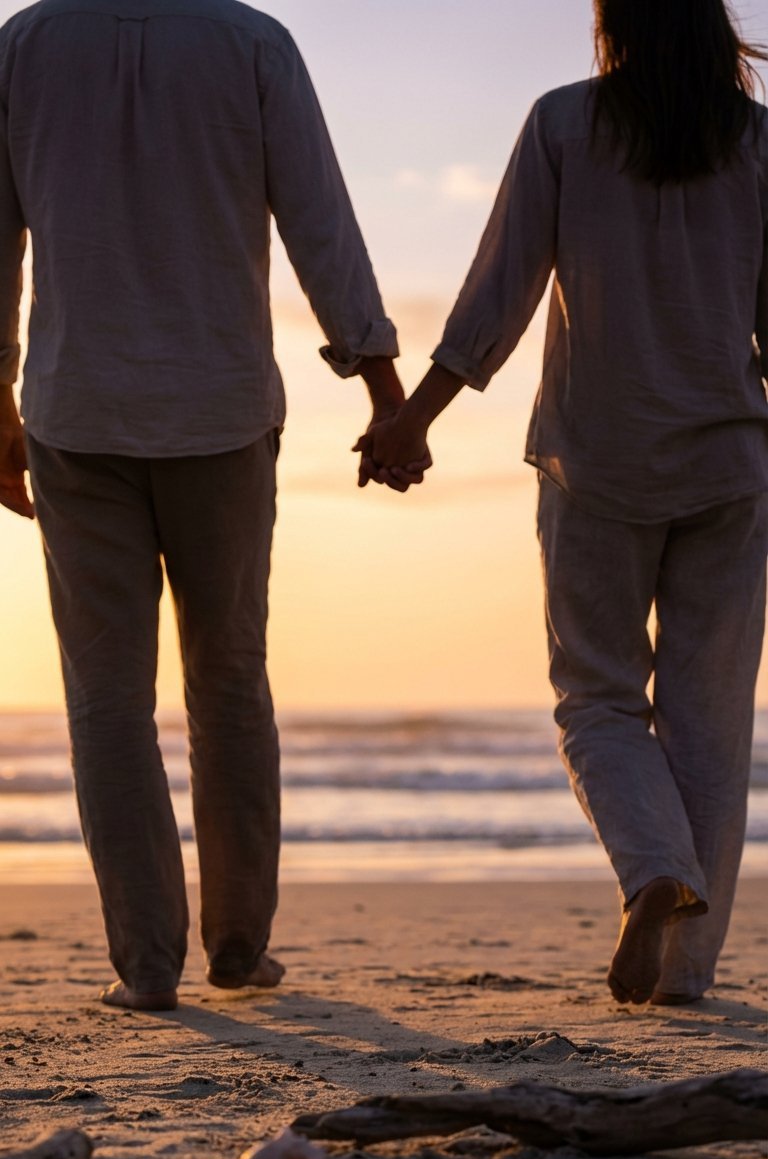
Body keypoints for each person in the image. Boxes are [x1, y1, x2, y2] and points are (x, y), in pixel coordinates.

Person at [0, 0, 428, 1011]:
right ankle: (237, 944)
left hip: (78, 408)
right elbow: (319, 217)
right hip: (222, 408)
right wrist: (381, 382)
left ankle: (147, 965)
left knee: (106, 699)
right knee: (230, 679)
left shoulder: (21, 47)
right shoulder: (251, 43)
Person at [359, 0, 768, 1006]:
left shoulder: (562, 125)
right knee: (711, 719)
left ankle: (650, 867)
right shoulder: (758, 141)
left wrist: (415, 417)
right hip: (731, 462)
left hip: (597, 461)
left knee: (596, 697)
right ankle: (685, 976)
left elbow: (499, 292)